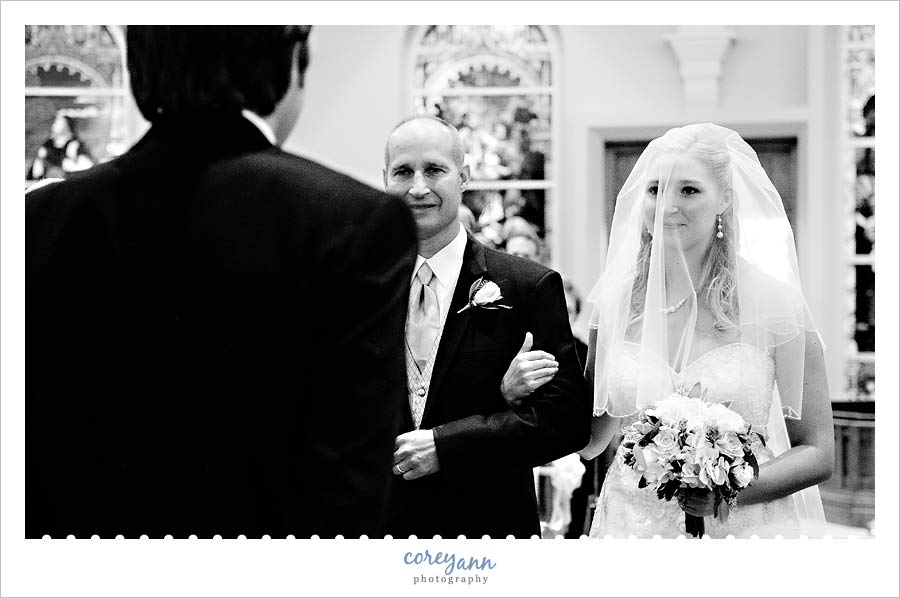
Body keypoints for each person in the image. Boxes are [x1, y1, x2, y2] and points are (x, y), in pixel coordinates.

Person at [26, 26, 418, 539]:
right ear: (290, 64)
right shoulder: (351, 223)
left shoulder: (40, 219)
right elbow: (346, 484)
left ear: (140, 64)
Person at [579, 123, 834, 537]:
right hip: (630, 529)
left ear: (725, 198)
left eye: (689, 190)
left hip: (740, 531)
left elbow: (818, 452)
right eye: (655, 190)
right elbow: (589, 437)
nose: (667, 206)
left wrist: (731, 488)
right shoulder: (615, 305)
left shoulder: (776, 305)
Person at [382, 115, 591, 538]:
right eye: (403, 171)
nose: (418, 187)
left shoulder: (528, 287)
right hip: (380, 525)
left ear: (464, 177)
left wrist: (448, 444)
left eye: (435, 170)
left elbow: (566, 422)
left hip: (488, 524)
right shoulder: (359, 286)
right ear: (384, 178)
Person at [27, 111, 94, 180]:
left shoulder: (74, 146)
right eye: (55, 122)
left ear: (68, 125)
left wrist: (68, 167)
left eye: (58, 122)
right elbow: (36, 173)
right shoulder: (47, 146)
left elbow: (89, 169)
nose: (54, 125)